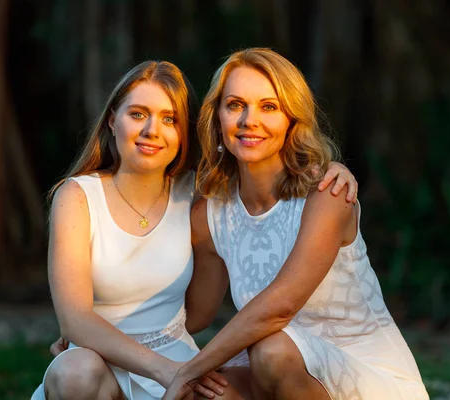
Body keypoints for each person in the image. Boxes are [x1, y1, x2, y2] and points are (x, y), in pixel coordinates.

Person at [32, 59, 358, 400]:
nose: (151, 131)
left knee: (219, 393)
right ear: (113, 119)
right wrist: (165, 369)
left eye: (169, 119)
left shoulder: (200, 197)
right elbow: (75, 321)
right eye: (138, 114)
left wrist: (331, 168)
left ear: (183, 132)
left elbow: (198, 315)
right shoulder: (77, 196)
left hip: (175, 356)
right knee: (75, 372)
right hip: (102, 359)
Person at [162, 48, 430, 400]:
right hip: (274, 364)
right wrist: (98, 328)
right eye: (235, 105)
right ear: (217, 118)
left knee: (269, 352)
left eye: (269, 107)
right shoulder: (211, 214)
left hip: (365, 377)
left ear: (292, 119)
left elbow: (280, 306)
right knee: (209, 393)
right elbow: (191, 317)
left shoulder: (326, 193)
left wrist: (188, 372)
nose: (249, 121)